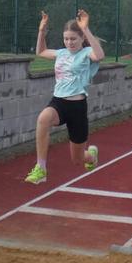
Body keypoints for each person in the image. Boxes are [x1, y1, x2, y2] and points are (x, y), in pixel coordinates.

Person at [24, 10, 106, 185]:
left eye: (73, 39)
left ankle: (91, 155)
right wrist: (41, 31)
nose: (69, 42)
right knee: (43, 118)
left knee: (77, 159)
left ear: (81, 38)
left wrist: (86, 29)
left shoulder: (87, 53)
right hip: (59, 102)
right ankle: (41, 168)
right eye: (66, 39)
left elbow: (99, 56)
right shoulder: (61, 53)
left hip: (77, 107)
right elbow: (41, 51)